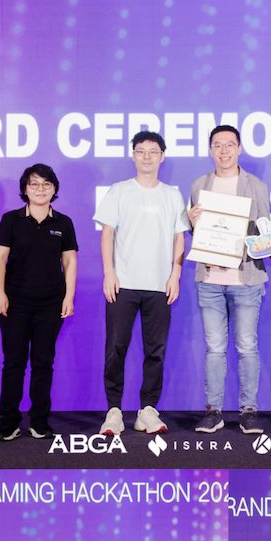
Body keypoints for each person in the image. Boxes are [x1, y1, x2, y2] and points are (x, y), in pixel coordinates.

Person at [95, 131, 190, 437]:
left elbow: (179, 237)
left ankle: (147, 410)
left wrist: (175, 274)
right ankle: (113, 410)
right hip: (123, 284)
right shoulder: (119, 191)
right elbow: (107, 234)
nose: (147, 156)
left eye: (153, 151)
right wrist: (109, 273)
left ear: (162, 156)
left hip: (160, 286)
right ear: (133, 155)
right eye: (141, 151)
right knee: (115, 348)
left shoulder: (172, 195)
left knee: (156, 350)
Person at [188, 124, 269, 435]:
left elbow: (264, 232)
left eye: (229, 145)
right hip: (209, 279)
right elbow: (197, 233)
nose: (224, 151)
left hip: (246, 279)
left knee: (247, 346)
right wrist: (191, 222)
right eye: (218, 145)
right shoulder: (199, 184)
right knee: (214, 348)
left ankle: (249, 411)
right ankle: (214, 411)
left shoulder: (255, 185)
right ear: (211, 150)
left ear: (239, 148)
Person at [0, 162, 78, 442]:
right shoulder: (11, 220)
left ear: (54, 189)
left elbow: (70, 261)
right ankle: (8, 423)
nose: (40, 189)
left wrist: (68, 296)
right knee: (14, 362)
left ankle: (40, 422)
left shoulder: (63, 222)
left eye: (46, 184)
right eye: (34, 184)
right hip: (14, 302)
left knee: (43, 362)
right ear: (25, 189)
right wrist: (0, 293)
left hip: (51, 303)